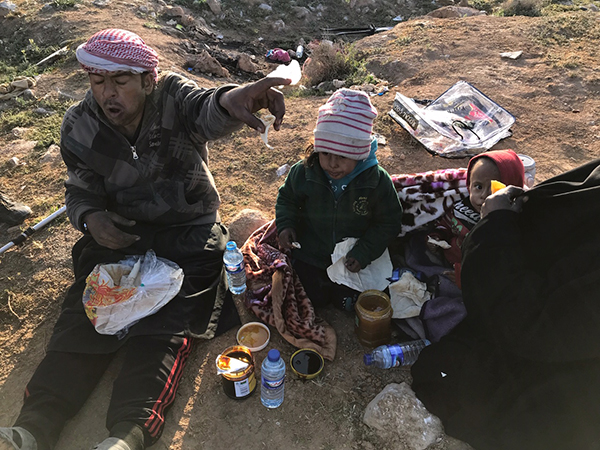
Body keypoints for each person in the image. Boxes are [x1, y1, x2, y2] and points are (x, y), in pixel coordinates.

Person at [0, 28, 290, 450]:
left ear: (147, 80)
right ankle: (33, 428)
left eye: (120, 82)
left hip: (187, 233)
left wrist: (237, 97)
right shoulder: (79, 126)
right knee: (88, 314)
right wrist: (93, 219)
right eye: (98, 82)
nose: (107, 94)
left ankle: (127, 435)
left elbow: (207, 107)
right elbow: (79, 191)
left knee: (167, 322)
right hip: (121, 237)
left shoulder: (171, 96)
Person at [411, 159, 600, 450]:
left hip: (554, 385)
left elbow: (534, 323)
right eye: (476, 186)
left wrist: (494, 229)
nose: (482, 193)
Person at [275, 88, 403, 310]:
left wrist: (364, 252)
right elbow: (287, 198)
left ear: (360, 153)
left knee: (357, 300)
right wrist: (286, 225)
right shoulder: (305, 171)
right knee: (309, 298)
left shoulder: (375, 181)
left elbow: (389, 222)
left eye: (343, 156)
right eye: (325, 154)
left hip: (352, 257)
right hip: (311, 253)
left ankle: (342, 292)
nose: (332, 164)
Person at [398, 149, 525, 342]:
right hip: (448, 260)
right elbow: (446, 224)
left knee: (463, 310)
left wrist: (460, 275)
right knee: (414, 250)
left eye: (493, 189)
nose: (484, 196)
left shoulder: (507, 228)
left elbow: (493, 270)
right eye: (478, 187)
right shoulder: (461, 209)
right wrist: (436, 236)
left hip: (470, 277)